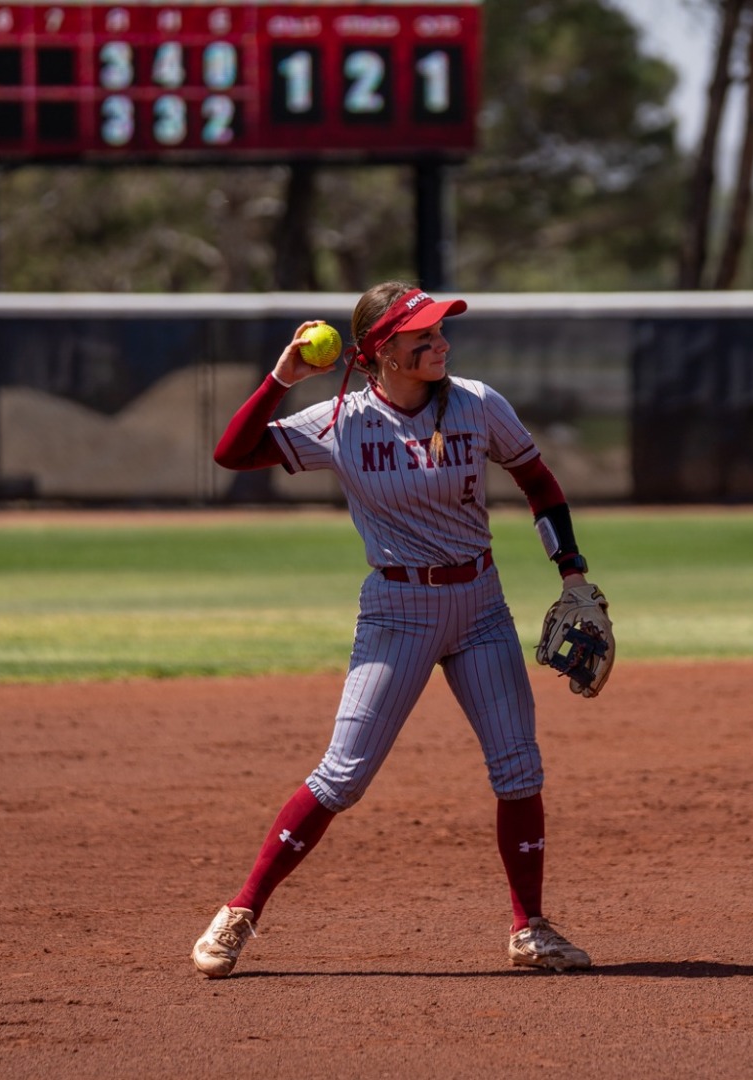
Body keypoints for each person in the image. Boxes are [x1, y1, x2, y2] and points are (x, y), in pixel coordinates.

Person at [192, 281, 598, 976]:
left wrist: (573, 573)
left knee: (518, 768)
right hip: (397, 610)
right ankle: (240, 910)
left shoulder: (477, 404)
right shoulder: (340, 421)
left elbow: (538, 482)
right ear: (382, 351)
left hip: (480, 605)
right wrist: (282, 378)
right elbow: (233, 453)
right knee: (342, 776)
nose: (441, 343)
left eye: (440, 331)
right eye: (424, 336)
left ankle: (529, 928)